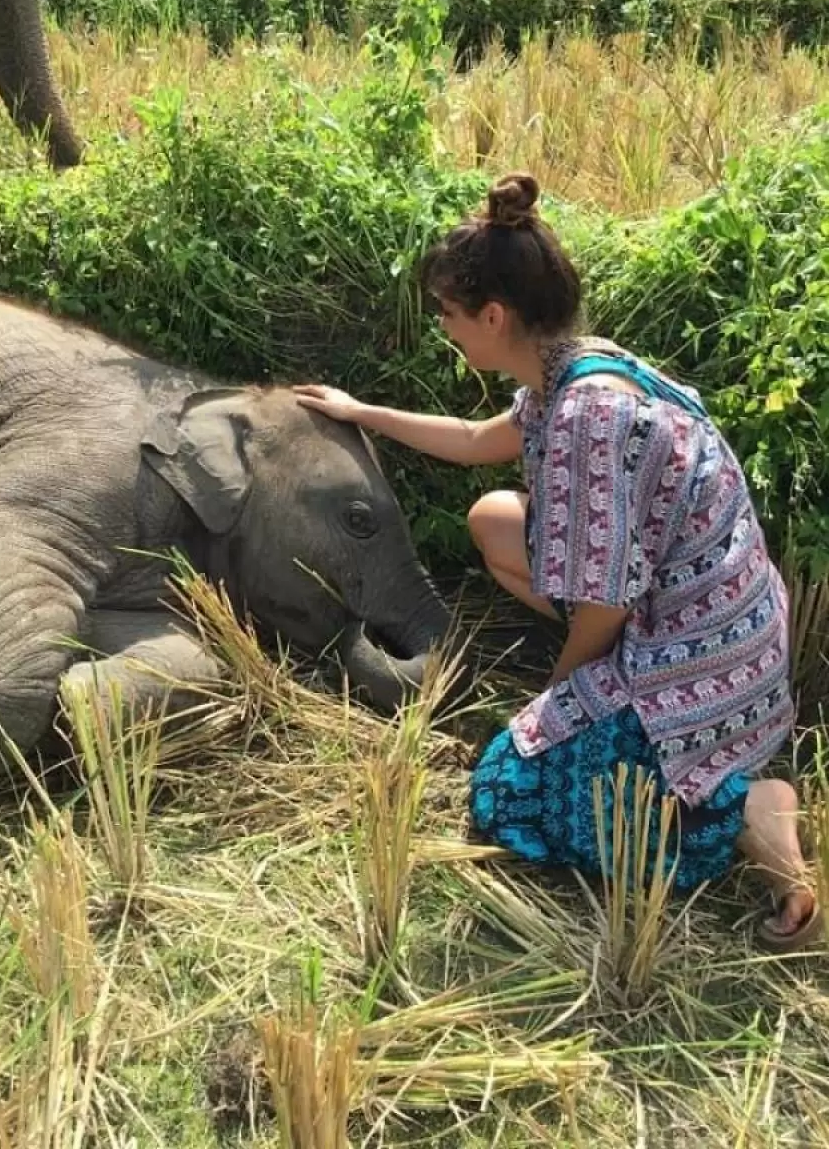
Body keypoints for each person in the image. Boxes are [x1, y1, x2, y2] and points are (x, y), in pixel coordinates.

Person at [295, 171, 821, 951]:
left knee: (510, 793)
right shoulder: (575, 366)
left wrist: (558, 699)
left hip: (700, 662)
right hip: (719, 621)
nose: (446, 329)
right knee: (494, 521)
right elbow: (479, 443)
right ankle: (636, 720)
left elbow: (604, 607)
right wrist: (359, 411)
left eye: (449, 314)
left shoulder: (585, 422)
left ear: (495, 315)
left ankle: (750, 807)